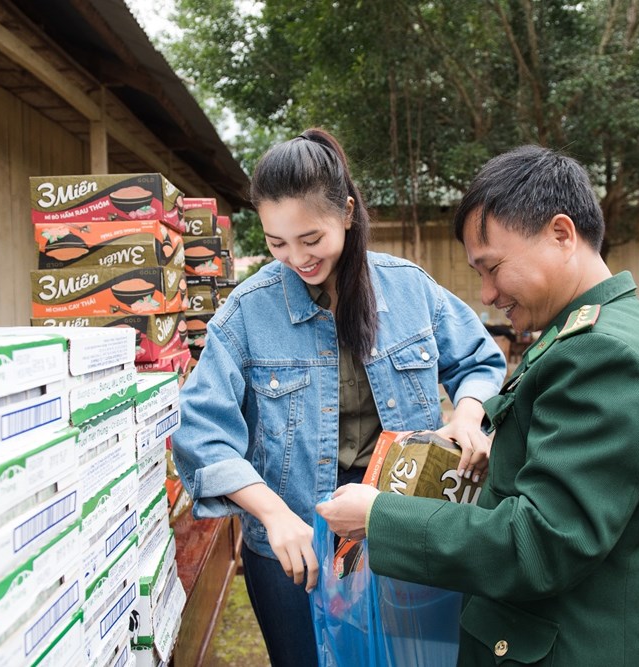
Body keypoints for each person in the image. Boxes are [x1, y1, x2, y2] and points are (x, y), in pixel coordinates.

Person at [318, 145, 639, 666]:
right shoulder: (592, 330)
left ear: (561, 235)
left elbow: (541, 543)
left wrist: (381, 515)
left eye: (492, 268)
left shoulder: (602, 354)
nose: (487, 293)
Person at [170, 128, 506, 666]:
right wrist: (273, 514)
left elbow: (480, 362)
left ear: (346, 212)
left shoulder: (410, 289)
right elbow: (201, 436)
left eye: (311, 239)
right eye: (277, 243)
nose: (296, 258)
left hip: (401, 528)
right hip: (297, 549)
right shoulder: (247, 313)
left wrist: (468, 415)